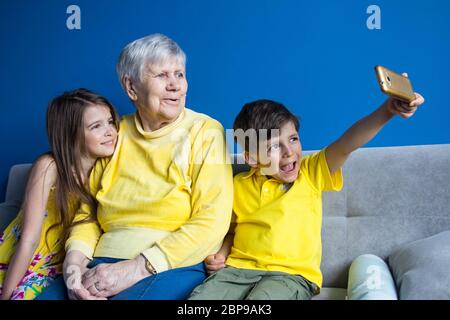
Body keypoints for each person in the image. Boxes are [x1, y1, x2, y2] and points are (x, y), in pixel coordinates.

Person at [37, 33, 233, 300]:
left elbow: (212, 221)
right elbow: (88, 213)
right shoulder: (113, 135)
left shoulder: (205, 132)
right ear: (131, 88)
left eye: (180, 74)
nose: (175, 85)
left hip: (169, 267)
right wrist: (74, 267)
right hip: (100, 263)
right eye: (162, 75)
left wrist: (135, 268)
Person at [189, 84, 425, 300]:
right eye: (273, 146)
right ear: (251, 158)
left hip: (290, 275)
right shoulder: (239, 185)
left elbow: (347, 143)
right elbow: (231, 231)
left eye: (293, 139)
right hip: (237, 270)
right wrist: (220, 254)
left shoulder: (311, 173)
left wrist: (386, 111)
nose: (289, 152)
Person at [0, 89, 119, 300]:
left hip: (59, 265)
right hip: (20, 258)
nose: (110, 131)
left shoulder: (109, 168)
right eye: (96, 126)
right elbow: (29, 239)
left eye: (110, 122)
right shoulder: (50, 167)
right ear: (72, 133)